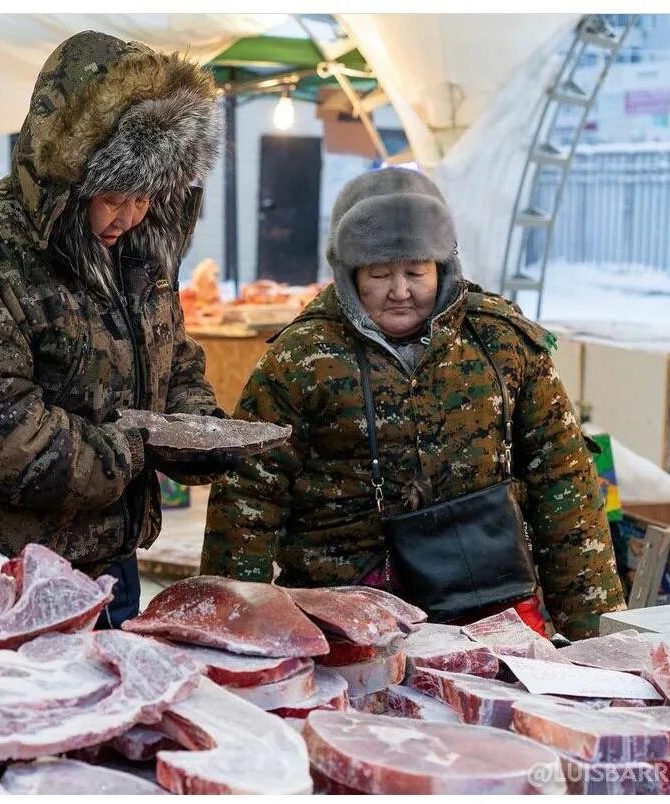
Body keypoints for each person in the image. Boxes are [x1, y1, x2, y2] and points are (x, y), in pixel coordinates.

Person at [0, 31, 232, 628]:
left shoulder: (136, 249)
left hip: (106, 562)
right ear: (71, 175)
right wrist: (131, 451)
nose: (130, 216)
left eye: (147, 195)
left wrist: (195, 428)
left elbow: (169, 356)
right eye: (114, 195)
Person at [201, 167, 626, 640]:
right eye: (380, 273)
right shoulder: (302, 359)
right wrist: (234, 634)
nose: (400, 291)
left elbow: (563, 481)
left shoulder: (501, 343)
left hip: (490, 610)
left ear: (443, 266)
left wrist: (596, 637)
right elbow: (247, 497)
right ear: (349, 274)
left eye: (415, 272)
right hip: (346, 616)